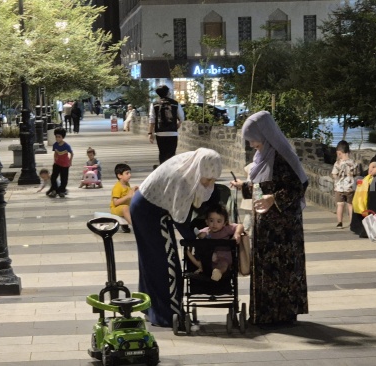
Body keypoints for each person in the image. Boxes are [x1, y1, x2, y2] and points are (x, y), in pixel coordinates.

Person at [230, 111, 309, 326]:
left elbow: (297, 186)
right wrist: (244, 187)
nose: (252, 144)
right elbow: (262, 187)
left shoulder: (283, 157)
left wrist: (274, 199)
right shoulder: (262, 157)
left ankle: (281, 315)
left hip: (283, 229)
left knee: (282, 270)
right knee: (264, 267)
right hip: (266, 225)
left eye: (254, 139)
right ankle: (264, 313)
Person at [130, 148, 222, 327]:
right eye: (207, 178)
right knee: (166, 263)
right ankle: (167, 314)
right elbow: (180, 219)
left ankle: (152, 309)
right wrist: (195, 240)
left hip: (144, 206)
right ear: (200, 170)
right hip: (150, 212)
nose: (209, 183)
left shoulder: (191, 165)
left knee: (152, 261)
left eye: (213, 179)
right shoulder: (182, 178)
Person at [186, 204, 244, 281]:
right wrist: (199, 235)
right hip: (208, 259)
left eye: (219, 221)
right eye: (211, 221)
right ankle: (202, 268)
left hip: (224, 258)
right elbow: (197, 235)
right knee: (201, 255)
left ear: (224, 223)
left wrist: (237, 233)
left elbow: (240, 226)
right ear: (206, 221)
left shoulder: (226, 229)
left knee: (223, 264)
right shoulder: (206, 231)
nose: (214, 224)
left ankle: (218, 272)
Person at [148, 84, 185, 167]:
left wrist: (150, 133)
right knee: (171, 153)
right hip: (172, 132)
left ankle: (162, 169)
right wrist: (178, 124)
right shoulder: (175, 103)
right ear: (168, 92)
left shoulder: (154, 104)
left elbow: (152, 120)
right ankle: (171, 170)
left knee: (162, 152)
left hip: (160, 133)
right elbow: (181, 116)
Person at [331, 140, 359, 229]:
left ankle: (340, 223)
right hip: (350, 188)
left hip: (339, 188)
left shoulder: (337, 163)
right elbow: (357, 174)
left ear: (339, 153)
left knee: (340, 205)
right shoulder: (354, 163)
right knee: (350, 205)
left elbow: (334, 174)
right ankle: (352, 223)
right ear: (348, 152)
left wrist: (337, 179)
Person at [46, 127, 73, 198]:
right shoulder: (55, 145)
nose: (57, 138)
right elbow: (55, 152)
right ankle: (54, 189)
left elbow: (71, 153)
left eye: (59, 137)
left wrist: (70, 161)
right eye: (56, 136)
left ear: (62, 137)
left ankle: (62, 190)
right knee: (53, 177)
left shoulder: (66, 146)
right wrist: (55, 158)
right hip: (57, 164)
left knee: (64, 178)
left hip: (64, 165)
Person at [110, 163, 138, 232]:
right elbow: (115, 202)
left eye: (130, 173)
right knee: (125, 208)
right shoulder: (117, 187)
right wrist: (127, 196)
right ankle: (135, 226)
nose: (130, 175)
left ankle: (125, 225)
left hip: (125, 207)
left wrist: (134, 190)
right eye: (127, 173)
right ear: (120, 175)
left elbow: (129, 194)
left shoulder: (127, 184)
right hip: (116, 208)